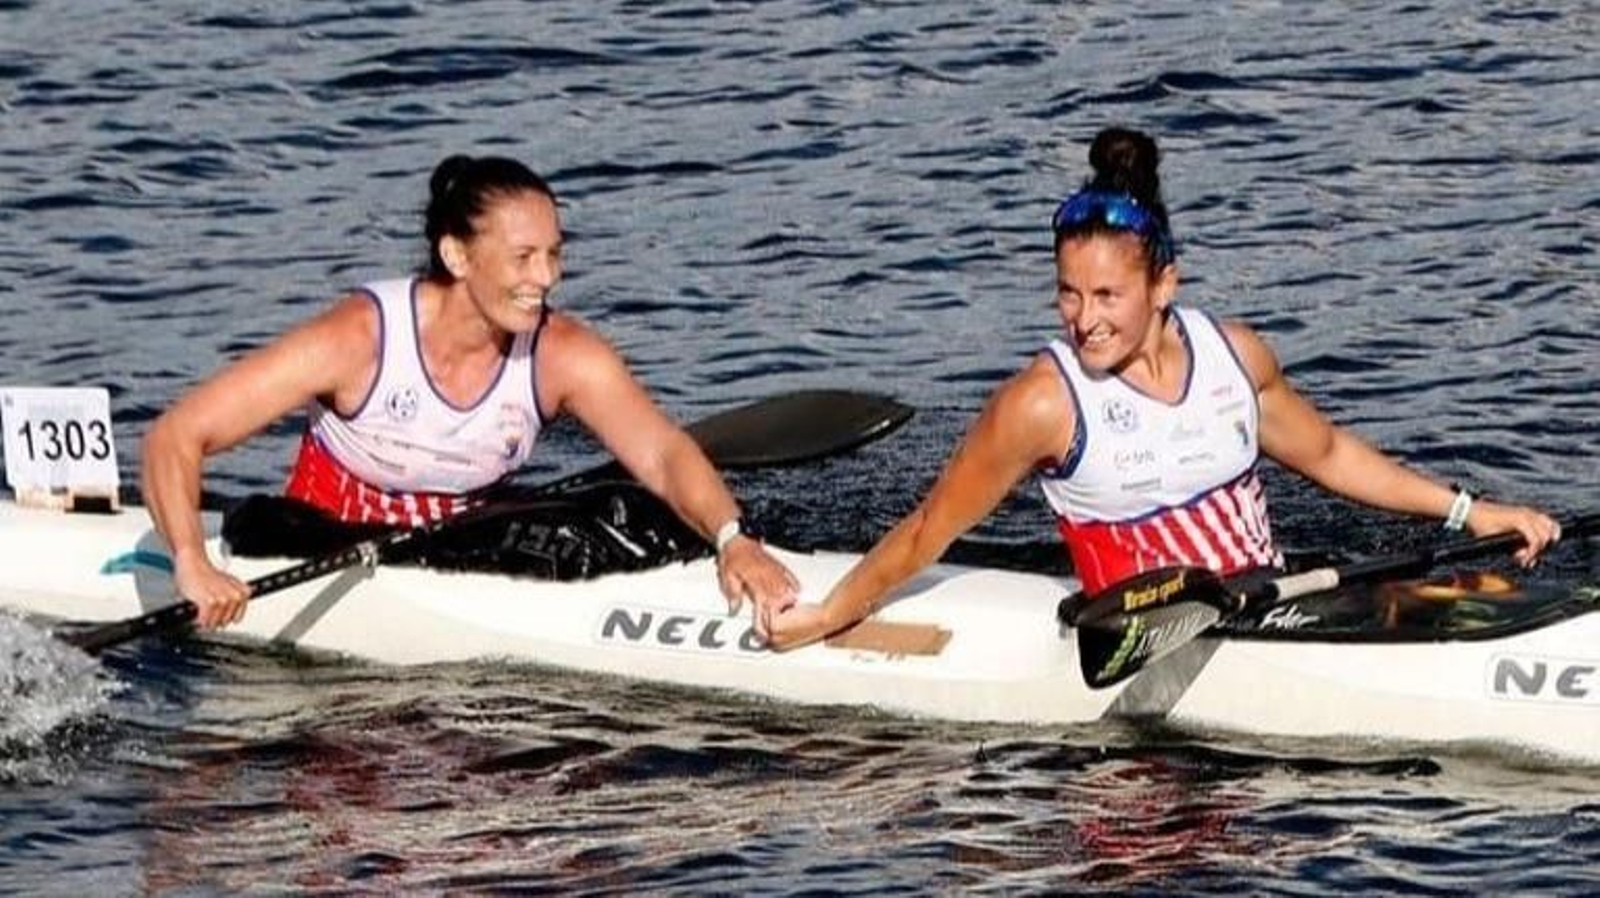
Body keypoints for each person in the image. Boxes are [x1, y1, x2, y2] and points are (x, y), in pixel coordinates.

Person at [768, 126, 1562, 649]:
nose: (1084, 320)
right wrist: (833, 615)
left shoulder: (1234, 357)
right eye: (1068, 294)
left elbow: (1332, 454)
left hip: (1274, 607)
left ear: (1164, 286)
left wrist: (1475, 512)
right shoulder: (1043, 403)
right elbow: (929, 527)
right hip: (1145, 632)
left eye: (1107, 297)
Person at [142, 154, 798, 630]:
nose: (544, 278)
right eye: (523, 257)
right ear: (457, 257)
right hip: (325, 538)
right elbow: (176, 436)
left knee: (637, 505)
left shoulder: (565, 353)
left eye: (554, 254)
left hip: (464, 540)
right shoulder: (360, 336)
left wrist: (732, 538)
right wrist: (192, 564)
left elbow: (662, 454)